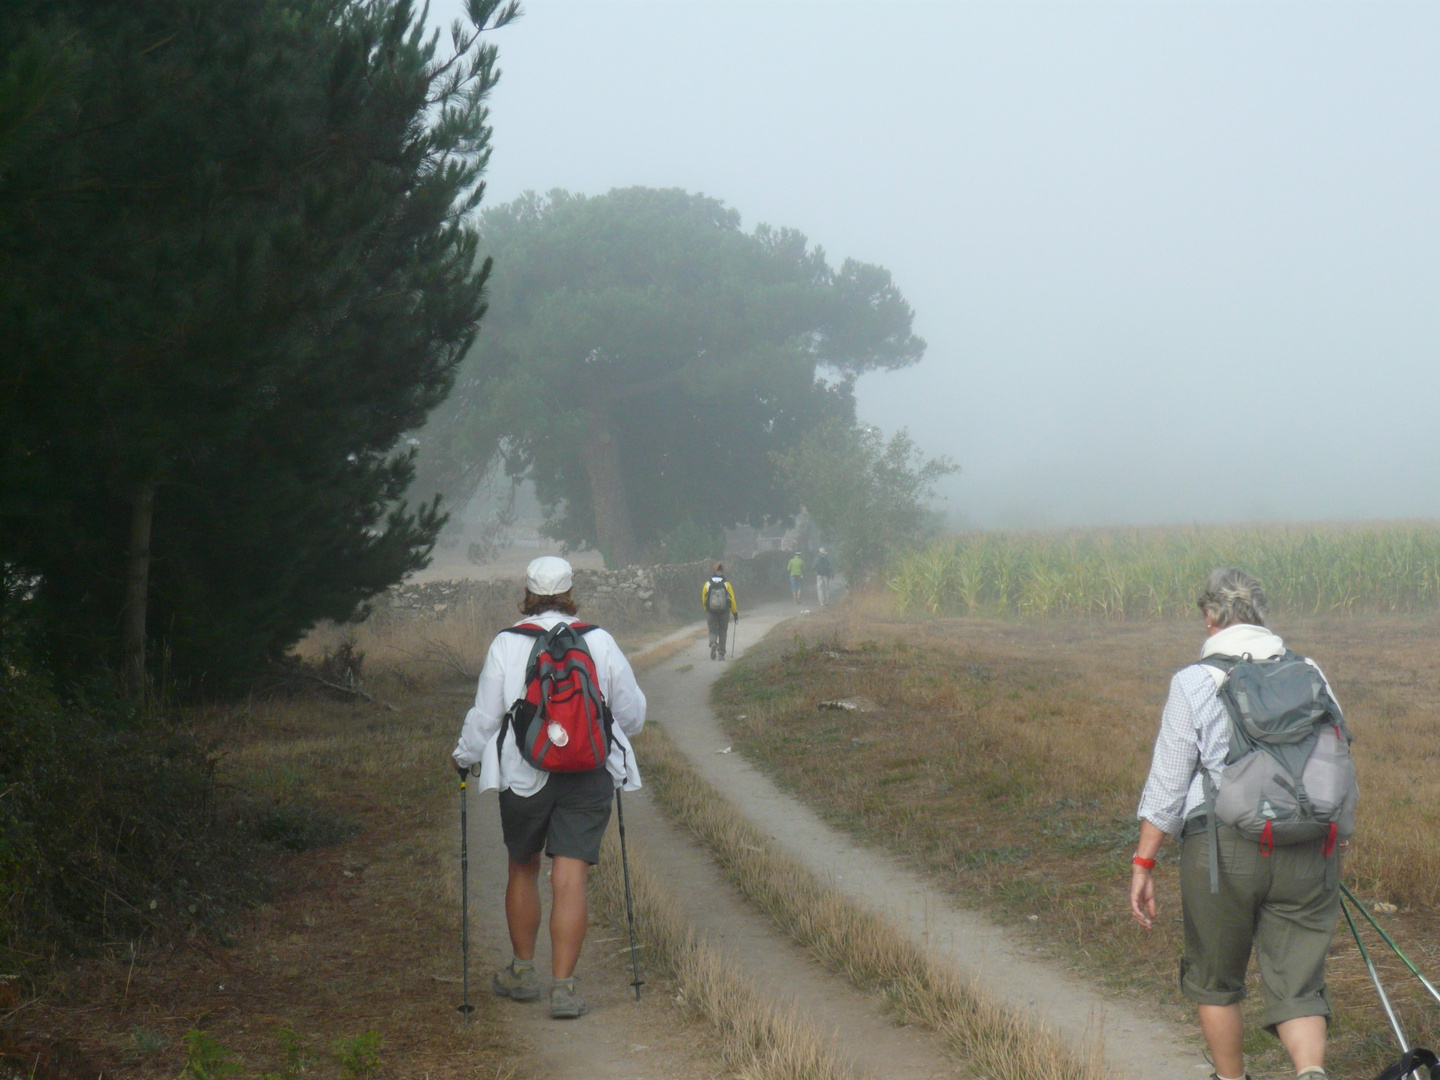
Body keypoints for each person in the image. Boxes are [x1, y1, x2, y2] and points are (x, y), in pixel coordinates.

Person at [1130, 568, 1348, 1080]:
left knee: (1216, 978)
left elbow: (1167, 784)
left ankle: (1231, 1079)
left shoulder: (1193, 682)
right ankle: (1310, 1073)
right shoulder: (1309, 669)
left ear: (1210, 618)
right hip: (1309, 845)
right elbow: (1335, 759)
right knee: (1298, 982)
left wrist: (1144, 861)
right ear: (1262, 615)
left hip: (1222, 850)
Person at [452, 555, 646, 1020]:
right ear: (571, 590)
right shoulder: (597, 640)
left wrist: (464, 757)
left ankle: (522, 974)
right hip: (588, 771)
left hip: (523, 774)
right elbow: (632, 713)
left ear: (529, 593)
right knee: (571, 875)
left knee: (523, 866)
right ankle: (564, 988)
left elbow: (485, 716)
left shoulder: (507, 643)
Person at [702, 562, 738, 660]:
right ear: (722, 572)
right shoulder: (726, 584)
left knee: (712, 630)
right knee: (723, 631)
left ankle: (713, 643)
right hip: (724, 611)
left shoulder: (708, 584)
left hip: (711, 611)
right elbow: (732, 600)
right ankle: (721, 654)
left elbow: (704, 599)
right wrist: (735, 613)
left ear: (714, 571)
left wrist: (706, 609)